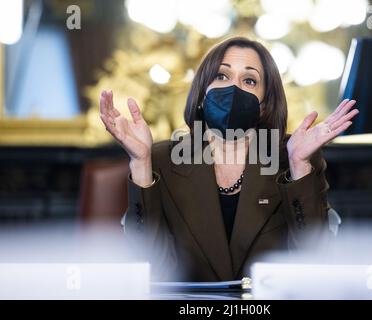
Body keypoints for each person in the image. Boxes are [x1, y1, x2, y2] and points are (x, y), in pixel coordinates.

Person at [99, 36, 358, 281]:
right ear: (201, 96)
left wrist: (299, 165)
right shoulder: (161, 160)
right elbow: (144, 263)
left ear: (265, 104)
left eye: (249, 81)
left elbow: (314, 261)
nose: (234, 88)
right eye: (222, 76)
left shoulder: (291, 157)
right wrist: (141, 162)